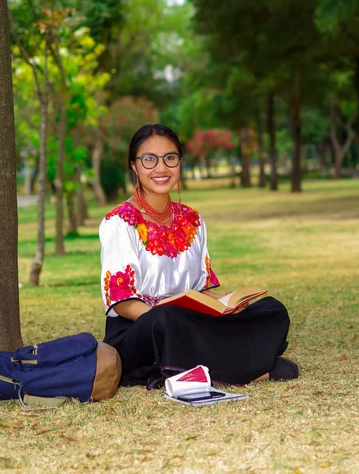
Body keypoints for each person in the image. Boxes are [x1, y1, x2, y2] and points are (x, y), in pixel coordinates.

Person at [99, 123, 298, 389]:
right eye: (149, 159)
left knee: (272, 310)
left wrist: (228, 303)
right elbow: (122, 302)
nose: (161, 168)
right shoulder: (119, 222)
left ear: (180, 162)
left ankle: (200, 365)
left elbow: (199, 290)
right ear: (134, 166)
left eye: (170, 158)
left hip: (187, 322)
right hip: (143, 329)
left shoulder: (192, 219)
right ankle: (248, 367)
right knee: (167, 320)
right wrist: (176, 322)